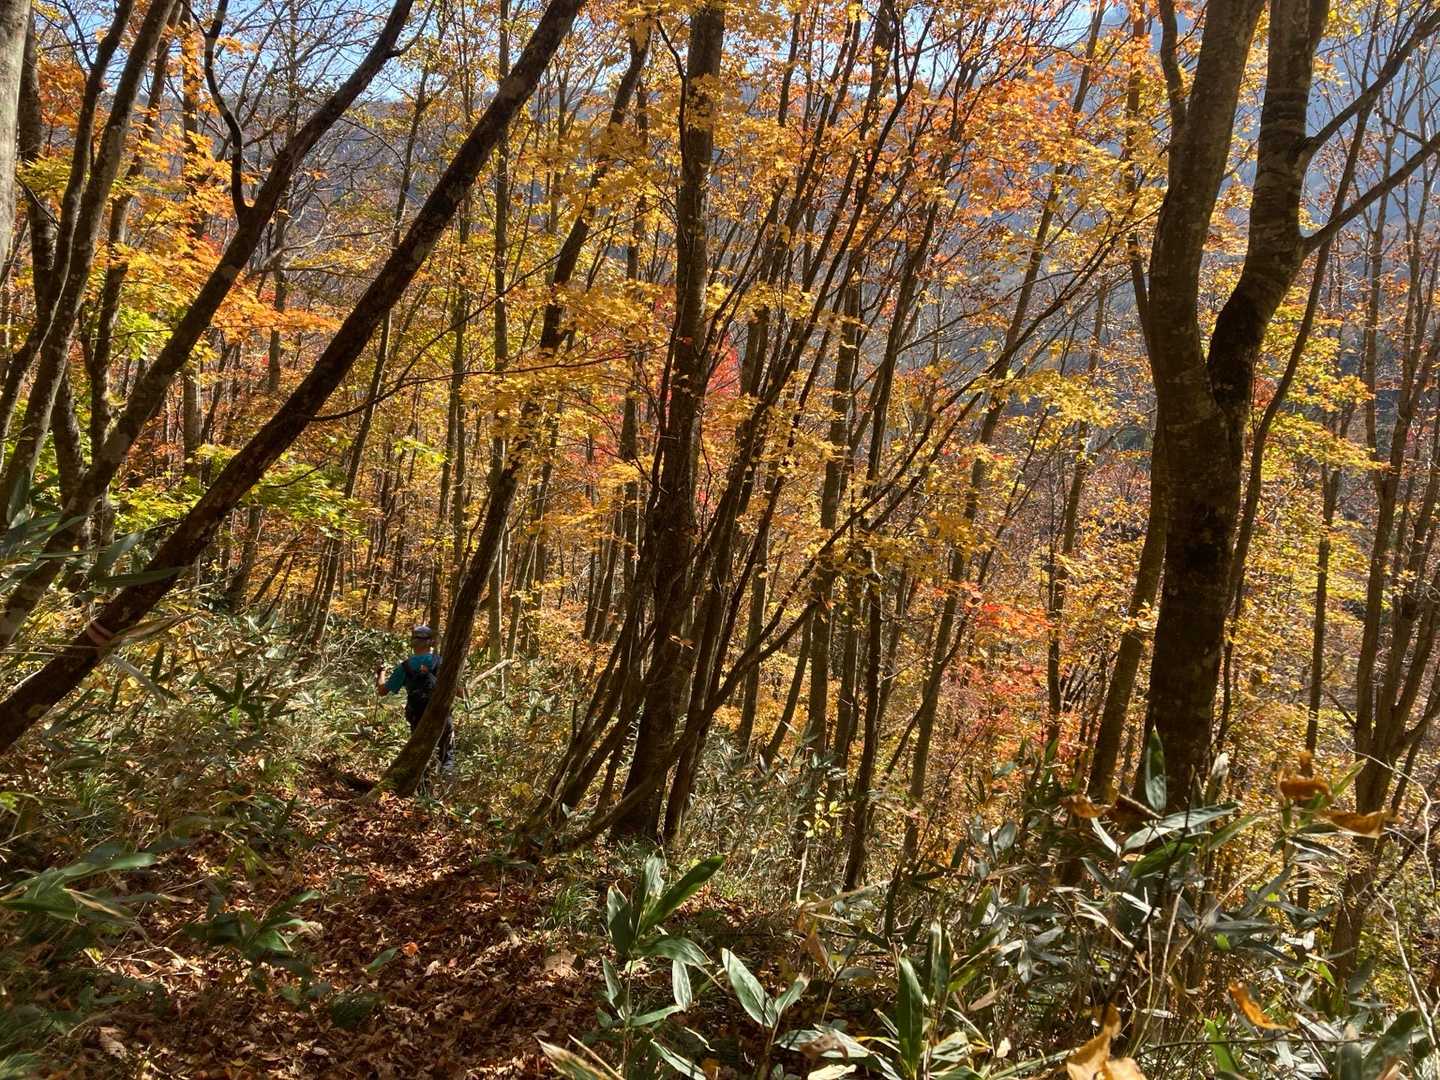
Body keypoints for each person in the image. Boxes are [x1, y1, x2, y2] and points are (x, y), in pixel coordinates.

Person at [376, 624, 454, 772]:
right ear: (431, 643)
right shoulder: (442, 662)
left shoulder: (405, 667)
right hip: (442, 714)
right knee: (446, 756)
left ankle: (421, 784)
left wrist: (381, 673)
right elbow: (458, 690)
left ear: (413, 643)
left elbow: (382, 691)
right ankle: (447, 781)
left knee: (419, 755)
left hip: (417, 716)